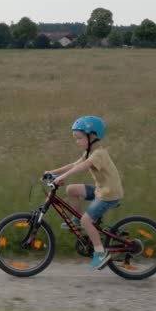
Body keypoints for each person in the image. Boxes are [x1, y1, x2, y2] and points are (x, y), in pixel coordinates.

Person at [43, 116, 124, 271]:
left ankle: (100, 253)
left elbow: (83, 167)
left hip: (109, 194)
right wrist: (53, 172)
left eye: (79, 138)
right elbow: (74, 164)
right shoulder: (89, 153)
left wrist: (63, 177)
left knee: (87, 221)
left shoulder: (98, 154)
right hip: (101, 189)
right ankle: (76, 220)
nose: (77, 141)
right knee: (71, 189)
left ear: (92, 137)